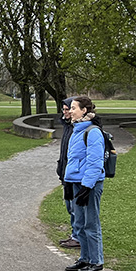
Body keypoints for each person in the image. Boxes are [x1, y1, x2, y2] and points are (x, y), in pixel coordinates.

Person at [62, 97, 105, 271]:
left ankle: (96, 261)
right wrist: (68, 180)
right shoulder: (76, 130)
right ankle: (85, 258)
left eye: (73, 108)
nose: (70, 111)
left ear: (84, 110)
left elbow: (95, 162)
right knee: (79, 222)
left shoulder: (92, 132)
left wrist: (87, 186)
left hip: (89, 184)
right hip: (75, 182)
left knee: (91, 223)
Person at [56, 97, 80, 249]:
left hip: (73, 174)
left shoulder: (77, 128)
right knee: (69, 206)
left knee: (74, 206)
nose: (66, 113)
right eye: (64, 110)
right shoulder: (66, 126)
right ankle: (74, 234)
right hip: (65, 172)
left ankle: (77, 236)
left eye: (68, 110)